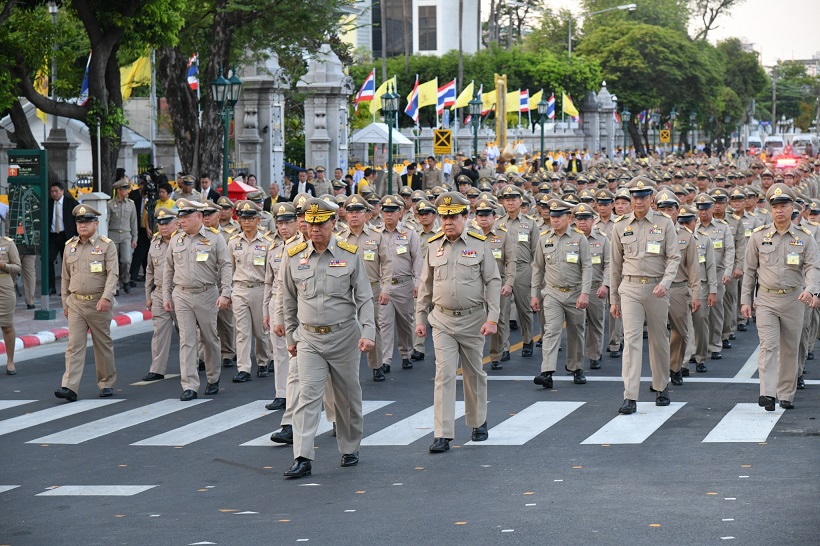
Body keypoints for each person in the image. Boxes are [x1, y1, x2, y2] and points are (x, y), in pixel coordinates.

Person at [279, 197, 375, 478]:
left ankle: (349, 447)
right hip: (309, 338)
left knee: (347, 397)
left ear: (334, 223)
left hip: (344, 337)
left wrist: (368, 332)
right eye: (310, 224)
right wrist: (291, 339)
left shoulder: (349, 253)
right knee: (306, 397)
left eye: (321, 223)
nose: (314, 229)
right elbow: (287, 299)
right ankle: (302, 456)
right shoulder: (294, 255)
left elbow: (365, 298)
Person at [416, 192, 500, 453]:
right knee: (443, 374)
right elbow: (425, 284)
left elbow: (493, 281)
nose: (447, 222)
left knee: (474, 373)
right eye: (444, 217)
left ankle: (478, 421)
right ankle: (442, 433)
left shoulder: (480, 243)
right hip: (441, 319)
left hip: (473, 319)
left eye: (453, 216)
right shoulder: (433, 245)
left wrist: (492, 318)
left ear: (466, 217)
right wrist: (420, 318)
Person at [741, 184, 820, 411]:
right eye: (775, 206)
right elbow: (749, 270)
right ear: (770, 209)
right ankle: (767, 393)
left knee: (789, 348)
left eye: (784, 206)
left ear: (792, 208)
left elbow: (813, 267)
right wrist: (746, 300)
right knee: (768, 345)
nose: (779, 211)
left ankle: (785, 393)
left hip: (794, 298)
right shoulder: (758, 237)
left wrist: (811, 290)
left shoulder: (805, 238)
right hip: (765, 298)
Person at [609, 177, 681, 414]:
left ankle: (661, 386)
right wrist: (614, 300)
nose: (638, 201)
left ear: (652, 198)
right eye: (634, 197)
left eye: (643, 197)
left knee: (659, 339)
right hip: (629, 288)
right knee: (631, 341)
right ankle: (630, 395)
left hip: (656, 288)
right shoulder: (620, 226)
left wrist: (665, 282)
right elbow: (615, 266)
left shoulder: (664, 223)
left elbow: (673, 257)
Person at [162, 199, 233, 401]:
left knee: (210, 338)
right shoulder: (176, 239)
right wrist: (167, 296)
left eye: (186, 217)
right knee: (187, 340)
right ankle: (190, 385)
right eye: (180, 217)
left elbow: (225, 266)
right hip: (182, 294)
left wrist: (225, 293)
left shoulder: (215, 238)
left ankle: (213, 378)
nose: (182, 221)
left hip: (207, 293)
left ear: (199, 217)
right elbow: (168, 269)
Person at [55, 205, 118, 402]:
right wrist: (65, 301)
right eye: (80, 222)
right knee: (74, 345)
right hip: (76, 303)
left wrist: (107, 297)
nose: (83, 225)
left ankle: (106, 382)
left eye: (87, 221)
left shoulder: (107, 245)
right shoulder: (69, 246)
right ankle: (69, 387)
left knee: (102, 345)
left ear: (96, 223)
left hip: (98, 302)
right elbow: (65, 277)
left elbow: (113, 274)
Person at [531, 199, 592, 389]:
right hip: (552, 293)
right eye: (552, 216)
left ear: (569, 218)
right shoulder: (544, 239)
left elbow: (587, 267)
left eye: (559, 217)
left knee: (576, 331)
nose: (554, 220)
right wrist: (535, 294)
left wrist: (585, 293)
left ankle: (576, 367)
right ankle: (547, 371)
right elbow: (538, 269)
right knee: (551, 330)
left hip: (575, 292)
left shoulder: (579, 238)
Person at [337, 195, 393, 382]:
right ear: (345, 215)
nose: (354, 216)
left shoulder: (376, 236)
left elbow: (386, 264)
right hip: (346, 290)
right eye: (350, 212)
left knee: (372, 326)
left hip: (371, 288)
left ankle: (376, 365)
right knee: (345, 328)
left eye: (358, 212)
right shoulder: (339, 238)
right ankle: (345, 368)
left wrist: (386, 289)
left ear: (366, 215)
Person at [229, 200, 274, 382]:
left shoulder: (268, 242)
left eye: (250, 218)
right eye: (243, 218)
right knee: (242, 331)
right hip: (239, 289)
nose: (246, 222)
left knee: (261, 330)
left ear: (258, 220)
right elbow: (230, 268)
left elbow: (270, 272)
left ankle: (263, 361)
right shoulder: (233, 242)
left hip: (260, 289)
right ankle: (244, 367)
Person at [263, 202, 299, 411]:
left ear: (296, 223)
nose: (283, 227)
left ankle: (298, 392)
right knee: (279, 350)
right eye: (280, 223)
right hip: (277, 302)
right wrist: (266, 310)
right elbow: (269, 281)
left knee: (298, 349)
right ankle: (281, 394)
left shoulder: (302, 245)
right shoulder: (273, 246)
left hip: (296, 302)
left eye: (288, 223)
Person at [378, 195, 421, 372]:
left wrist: (418, 283)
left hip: (404, 284)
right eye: (386, 211)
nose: (389, 215)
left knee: (405, 322)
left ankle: (406, 354)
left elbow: (417, 259)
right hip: (383, 286)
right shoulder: (376, 234)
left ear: (401, 213)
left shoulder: (409, 233)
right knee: (384, 324)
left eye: (393, 211)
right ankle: (385, 360)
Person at [495, 185, 539, 357]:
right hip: (503, 271)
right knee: (502, 311)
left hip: (523, 269)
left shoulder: (530, 223)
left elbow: (536, 251)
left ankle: (528, 340)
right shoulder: (498, 224)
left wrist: (535, 272)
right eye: (507, 200)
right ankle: (504, 347)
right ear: (503, 203)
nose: (510, 203)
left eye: (514, 199)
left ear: (521, 201)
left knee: (524, 309)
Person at [472, 197, 515, 370]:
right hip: (475, 284)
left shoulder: (503, 235)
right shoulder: (470, 235)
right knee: (475, 320)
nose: (483, 218)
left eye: (486, 215)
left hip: (498, 283)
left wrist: (509, 283)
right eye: (480, 215)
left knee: (499, 319)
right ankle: (474, 355)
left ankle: (496, 354)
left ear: (494, 217)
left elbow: (511, 260)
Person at [141, 208, 179, 382]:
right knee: (159, 332)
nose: (163, 227)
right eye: (160, 224)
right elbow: (149, 270)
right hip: (159, 292)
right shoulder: (155, 242)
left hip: (179, 291)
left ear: (176, 223)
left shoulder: (183, 240)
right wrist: (148, 295)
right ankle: (157, 368)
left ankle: (198, 360)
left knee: (189, 332)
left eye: (167, 223)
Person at [573, 203, 610, 371]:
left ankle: (594, 355)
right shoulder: (570, 238)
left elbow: (609, 264)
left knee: (596, 323)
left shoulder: (602, 239)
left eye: (586, 219)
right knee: (576, 325)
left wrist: (606, 284)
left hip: (596, 287)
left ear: (593, 220)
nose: (582, 222)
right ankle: (576, 358)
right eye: (579, 219)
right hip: (575, 288)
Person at [47, 181, 79, 295]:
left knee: (66, 262)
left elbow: (78, 217)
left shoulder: (70, 203)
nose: (54, 194)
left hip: (66, 236)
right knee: (48, 260)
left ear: (62, 191)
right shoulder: (49, 204)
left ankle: (66, 288)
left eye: (56, 191)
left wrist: (76, 234)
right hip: (52, 236)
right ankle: (51, 287)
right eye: (52, 192)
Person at [107, 179, 138, 294]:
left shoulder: (131, 204)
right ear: (119, 190)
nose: (127, 191)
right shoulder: (110, 204)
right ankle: (115, 285)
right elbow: (107, 222)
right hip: (113, 234)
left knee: (126, 260)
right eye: (125, 189)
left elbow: (134, 222)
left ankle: (125, 279)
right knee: (113, 262)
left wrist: (135, 238)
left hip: (126, 235)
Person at [0, 235, 21, 375]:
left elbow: (17, 267)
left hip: (4, 287)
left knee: (6, 325)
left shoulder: (8, 243)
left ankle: (10, 361)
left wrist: (3, 265)